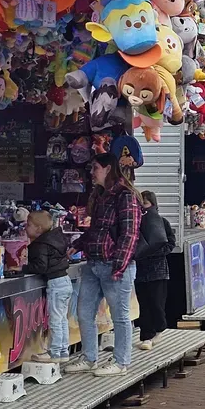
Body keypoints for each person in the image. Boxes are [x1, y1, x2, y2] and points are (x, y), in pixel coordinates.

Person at [67, 154, 142, 376]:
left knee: (119, 315)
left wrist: (119, 266)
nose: (92, 173)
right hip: (94, 263)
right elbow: (96, 229)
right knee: (84, 312)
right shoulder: (100, 196)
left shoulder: (126, 196)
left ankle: (121, 362)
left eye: (95, 168)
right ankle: (89, 357)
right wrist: (79, 244)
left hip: (114, 265)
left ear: (108, 169)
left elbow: (130, 234)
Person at [25, 210, 72, 363]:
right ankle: (64, 350)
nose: (26, 228)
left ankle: (54, 352)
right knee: (62, 318)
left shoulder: (41, 245)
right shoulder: (55, 239)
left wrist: (23, 268)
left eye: (29, 225)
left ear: (38, 228)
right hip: (65, 281)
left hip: (56, 284)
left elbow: (40, 266)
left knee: (55, 320)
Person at [134, 191, 176, 352]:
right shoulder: (136, 222)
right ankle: (146, 335)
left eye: (145, 204)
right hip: (140, 269)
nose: (142, 208)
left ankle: (159, 328)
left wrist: (157, 253)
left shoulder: (161, 222)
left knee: (156, 303)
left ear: (152, 204)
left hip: (158, 270)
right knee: (143, 304)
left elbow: (170, 242)